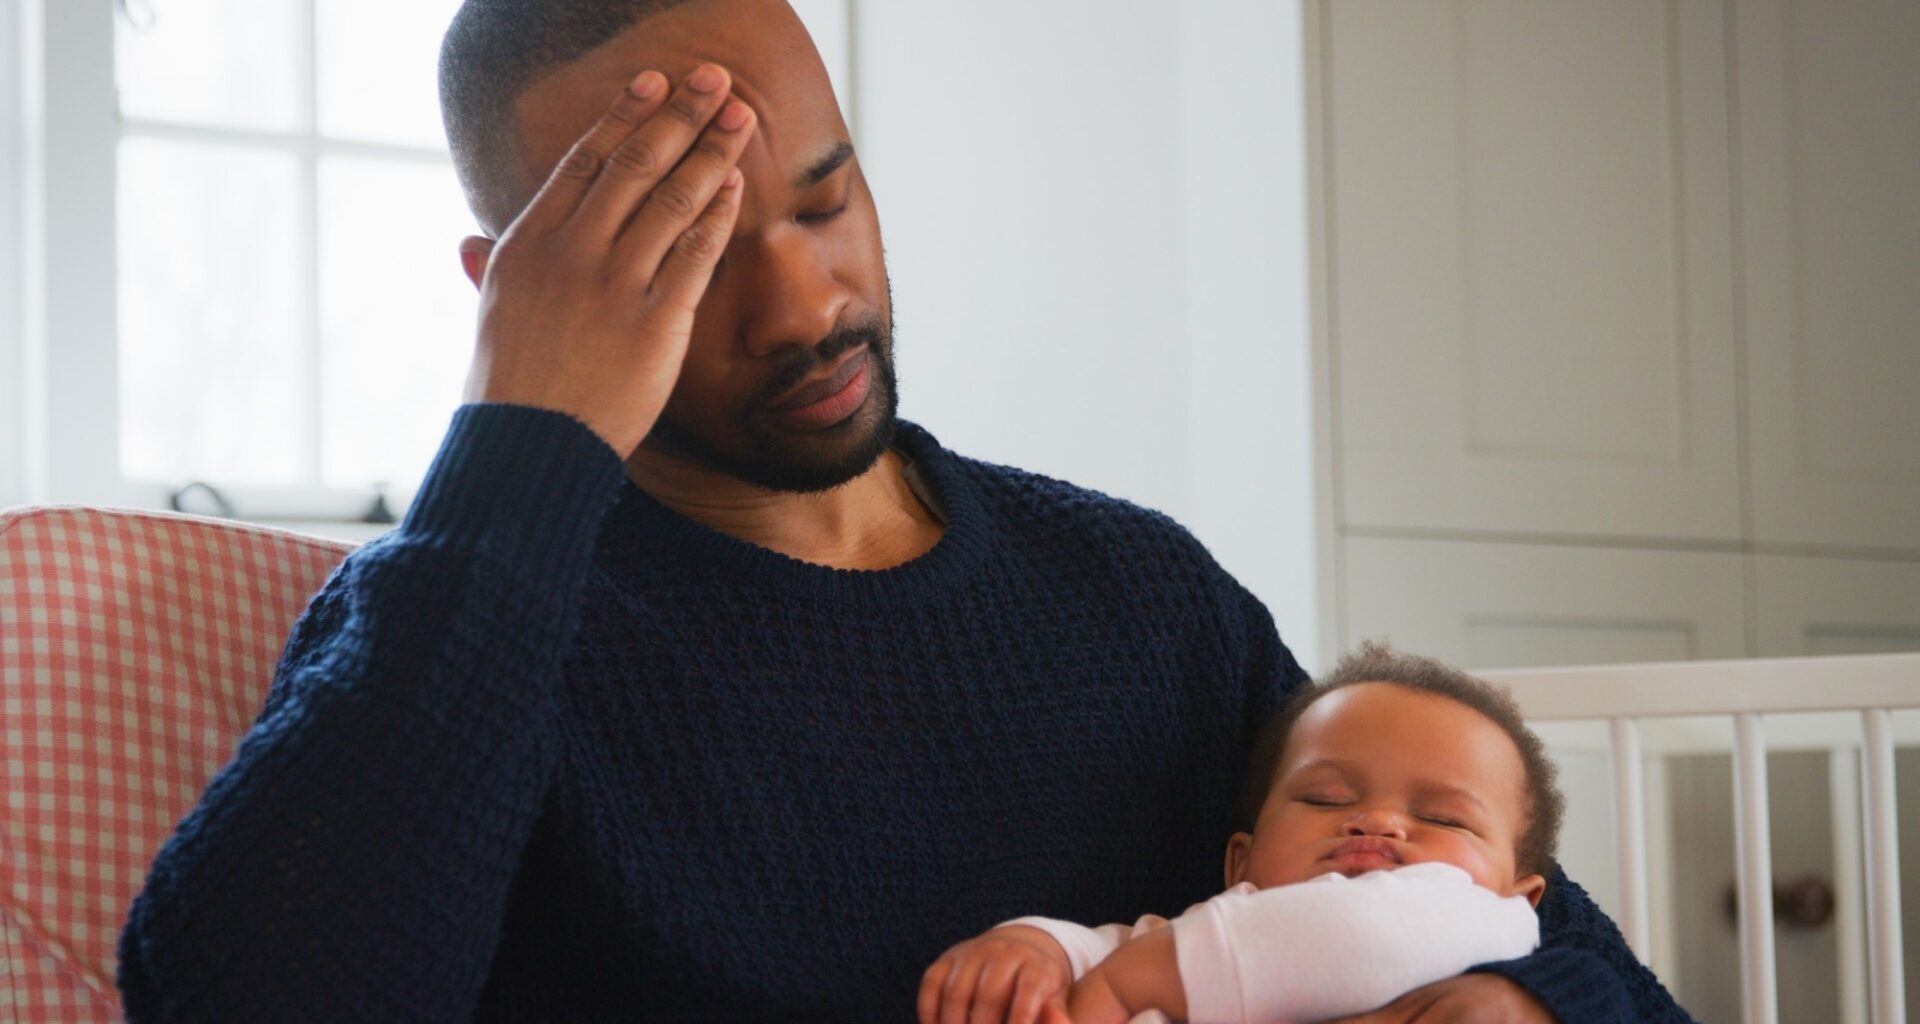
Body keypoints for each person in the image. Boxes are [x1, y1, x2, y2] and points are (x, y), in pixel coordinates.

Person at [116, 1, 1687, 1021]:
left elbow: (1587, 961)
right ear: (519, 288)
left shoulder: (1138, 596)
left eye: (824, 198)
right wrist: (520, 440)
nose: (807, 301)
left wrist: (1514, 1008)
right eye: (699, 248)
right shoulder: (460, 625)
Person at [919, 644, 1561, 1024]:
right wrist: (1032, 952)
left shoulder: (1486, 931)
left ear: (1522, 897)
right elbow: (1104, 947)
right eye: (1324, 798)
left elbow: (1357, 932)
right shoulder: (1190, 929)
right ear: (1238, 863)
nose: (1377, 821)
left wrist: (1122, 985)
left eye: (1444, 818)